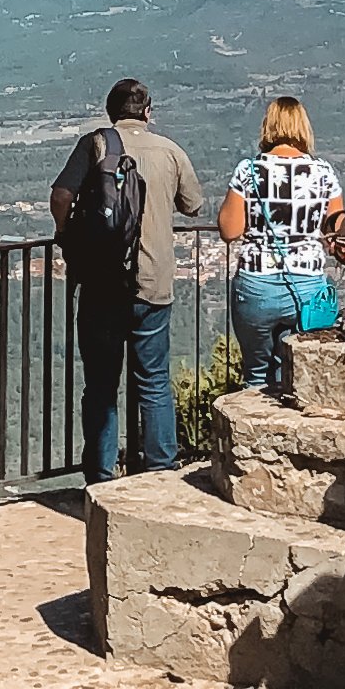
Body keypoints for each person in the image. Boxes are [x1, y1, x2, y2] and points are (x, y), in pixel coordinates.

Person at [49, 78, 204, 479]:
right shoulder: (170, 151)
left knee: (100, 387)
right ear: (148, 112)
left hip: (103, 283)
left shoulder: (96, 144)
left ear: (110, 112)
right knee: (153, 382)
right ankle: (160, 473)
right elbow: (193, 205)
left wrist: (65, 233)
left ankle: (101, 477)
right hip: (153, 283)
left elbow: (62, 195)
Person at [218, 97, 345, 403]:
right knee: (302, 373)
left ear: (269, 125)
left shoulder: (248, 170)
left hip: (257, 284)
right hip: (307, 287)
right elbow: (337, 232)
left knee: (256, 376)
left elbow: (229, 230)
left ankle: (253, 443)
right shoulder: (324, 173)